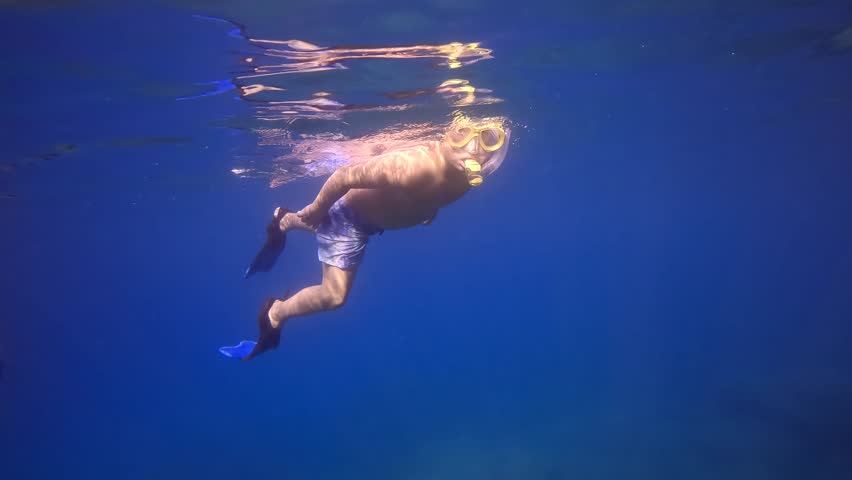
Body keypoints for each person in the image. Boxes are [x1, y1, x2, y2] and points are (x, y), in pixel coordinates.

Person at [240, 118, 511, 360]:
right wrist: (317, 208)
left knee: (327, 226)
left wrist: (427, 210)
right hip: (351, 220)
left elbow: (432, 195)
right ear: (446, 135)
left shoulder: (465, 177)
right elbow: (344, 176)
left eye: (488, 138)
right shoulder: (413, 166)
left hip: (369, 223)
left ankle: (284, 220)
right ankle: (275, 312)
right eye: (462, 134)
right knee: (334, 296)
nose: (473, 148)